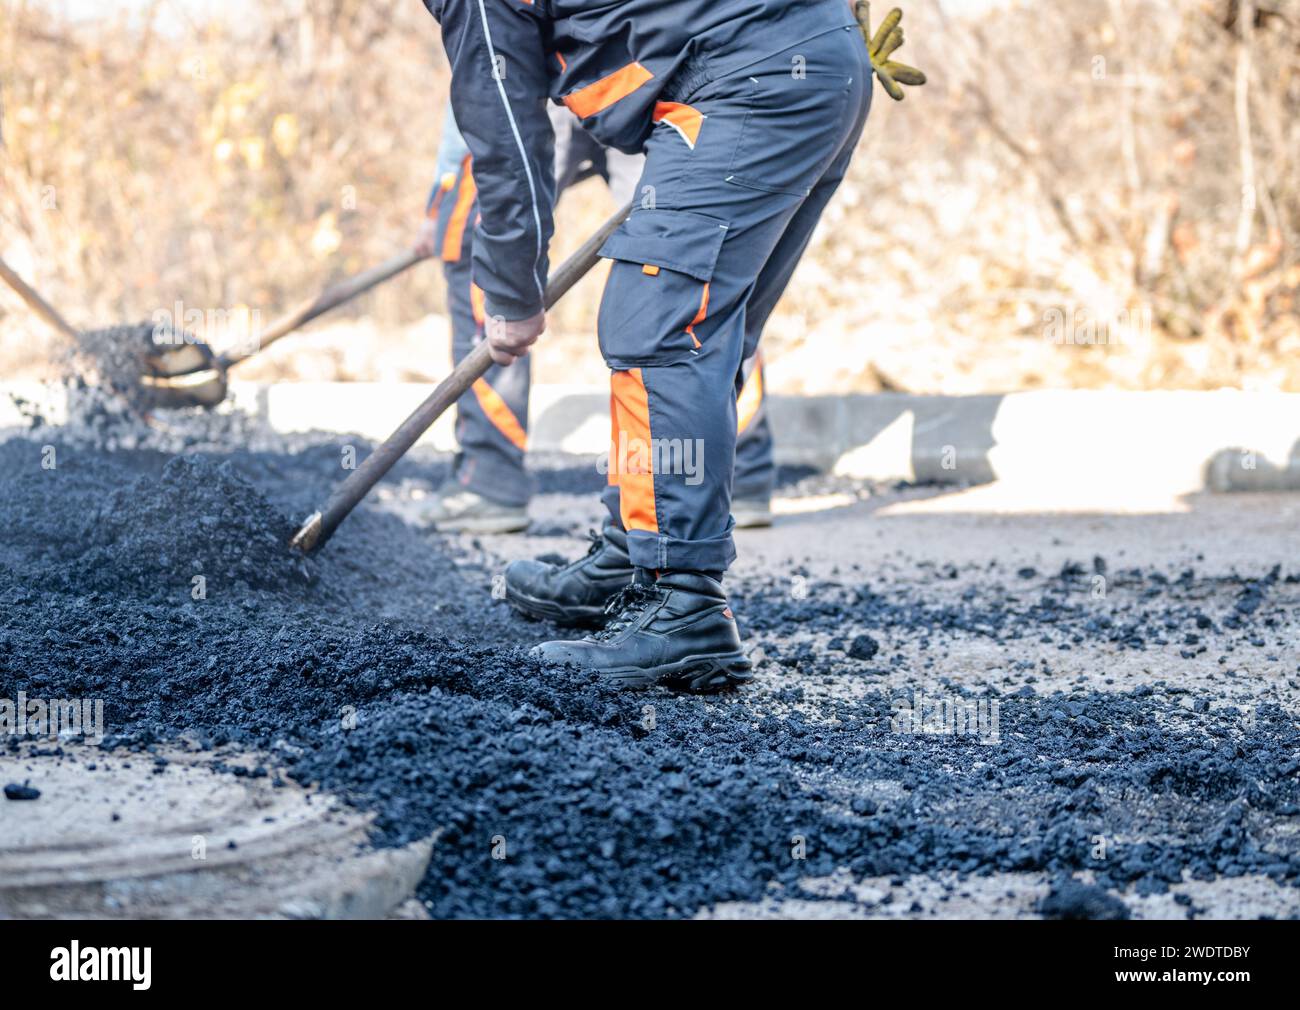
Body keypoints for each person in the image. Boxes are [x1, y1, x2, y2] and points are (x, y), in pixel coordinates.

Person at [421, 0, 922, 689]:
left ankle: (682, 604)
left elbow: (505, 126)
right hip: (810, 62)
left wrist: (510, 293)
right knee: (702, 331)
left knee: (659, 327)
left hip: (748, 82)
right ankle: (635, 553)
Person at [415, 100, 777, 533]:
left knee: (695, 251)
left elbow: (484, 75)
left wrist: (444, 190)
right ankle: (736, 472)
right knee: (694, 252)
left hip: (559, 82)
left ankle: (488, 480)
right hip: (642, 82)